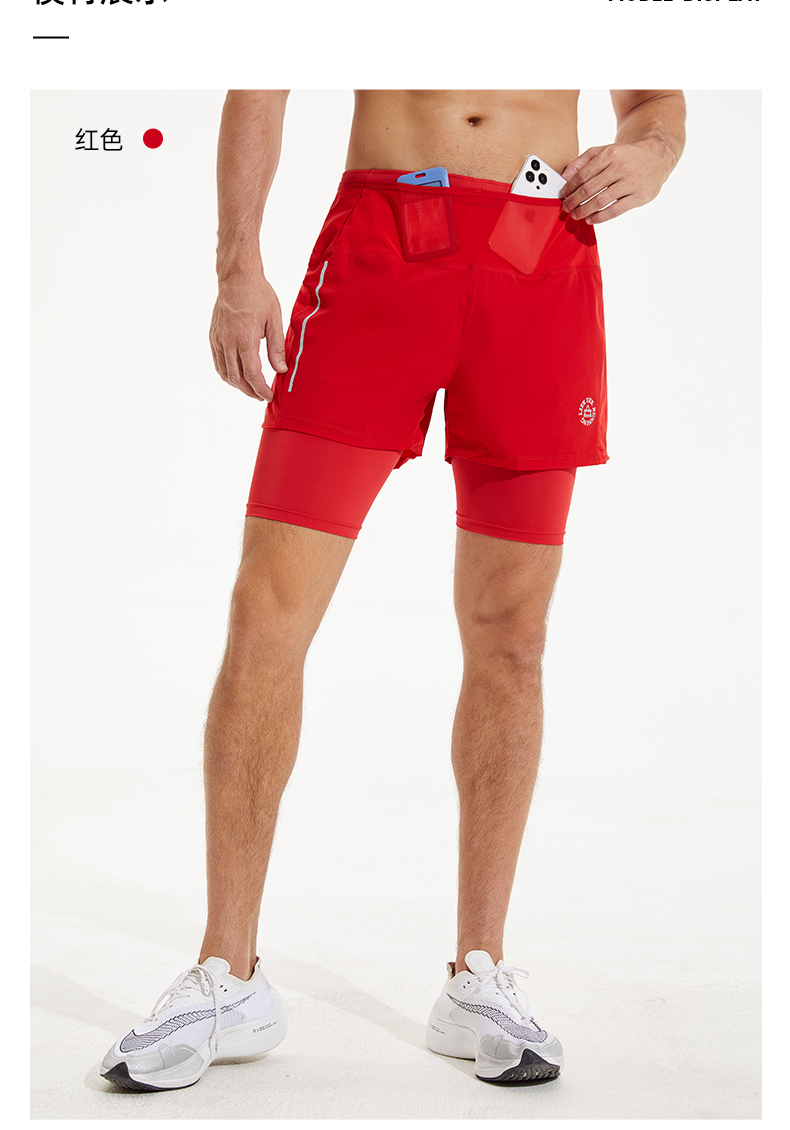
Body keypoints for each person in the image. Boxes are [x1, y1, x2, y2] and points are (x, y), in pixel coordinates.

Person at [101, 89, 686, 1091]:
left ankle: (478, 973)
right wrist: (237, 264)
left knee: (511, 631)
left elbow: (655, 99)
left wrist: (654, 154)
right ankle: (227, 974)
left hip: (538, 252)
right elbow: (262, 80)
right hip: (384, 242)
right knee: (266, 612)